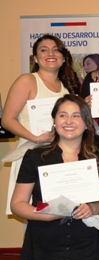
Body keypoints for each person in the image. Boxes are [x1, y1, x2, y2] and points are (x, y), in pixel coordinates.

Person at [10, 94, 99, 260]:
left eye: (76, 115)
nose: (69, 121)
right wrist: (45, 214)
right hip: (46, 249)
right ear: (54, 121)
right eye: (63, 115)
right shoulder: (36, 157)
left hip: (84, 248)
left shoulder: (97, 159)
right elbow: (17, 204)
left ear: (86, 123)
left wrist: (94, 207)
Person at [2, 35, 78, 216]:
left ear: (63, 57)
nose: (50, 54)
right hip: (31, 154)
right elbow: (7, 119)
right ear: (35, 58)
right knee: (34, 212)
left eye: (56, 50)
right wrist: (36, 138)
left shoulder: (65, 88)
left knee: (59, 211)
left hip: (58, 157)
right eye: (44, 50)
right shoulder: (27, 80)